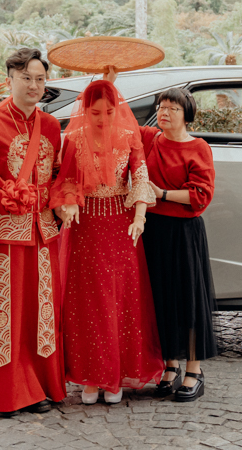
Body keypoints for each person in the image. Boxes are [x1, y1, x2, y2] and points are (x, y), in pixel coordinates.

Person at [0, 48, 66, 416]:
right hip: (4, 237)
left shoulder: (51, 127)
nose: (34, 85)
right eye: (26, 78)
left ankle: (39, 387)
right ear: (10, 80)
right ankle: (6, 395)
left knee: (41, 315)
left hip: (43, 234)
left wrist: (63, 202)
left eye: (40, 79)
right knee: (4, 316)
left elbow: (57, 177)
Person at [53, 77, 162, 405]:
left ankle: (115, 375)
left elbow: (140, 177)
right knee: (87, 302)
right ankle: (91, 376)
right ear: (85, 111)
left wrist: (140, 217)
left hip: (121, 226)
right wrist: (68, 203)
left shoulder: (129, 136)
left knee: (119, 299)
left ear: (118, 110)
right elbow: (66, 178)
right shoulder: (74, 138)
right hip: (84, 226)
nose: (102, 118)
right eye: (95, 112)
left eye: (109, 112)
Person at [138, 87, 217, 402]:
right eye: (161, 106)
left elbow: (202, 194)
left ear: (187, 115)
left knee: (188, 300)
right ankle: (170, 365)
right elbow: (117, 120)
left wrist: (163, 194)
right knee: (161, 299)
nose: (165, 112)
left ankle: (194, 371)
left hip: (184, 231)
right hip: (153, 230)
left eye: (173, 108)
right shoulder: (149, 139)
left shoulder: (198, 147)